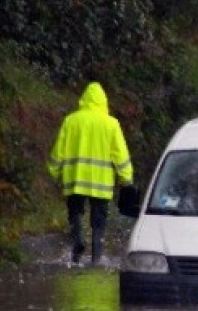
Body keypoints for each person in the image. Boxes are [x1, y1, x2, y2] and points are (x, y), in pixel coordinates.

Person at [48, 82, 134, 265]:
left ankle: (78, 238)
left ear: (83, 100)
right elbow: (120, 154)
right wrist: (126, 179)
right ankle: (96, 258)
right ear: (104, 102)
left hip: (75, 179)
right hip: (101, 183)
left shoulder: (71, 121)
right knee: (99, 220)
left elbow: (59, 151)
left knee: (75, 211)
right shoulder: (111, 124)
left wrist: (53, 171)